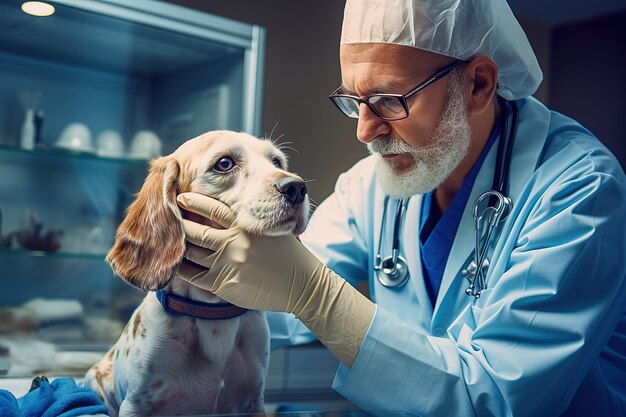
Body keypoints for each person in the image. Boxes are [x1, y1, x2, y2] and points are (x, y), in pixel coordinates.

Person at [175, 0, 626, 415]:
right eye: (355, 102)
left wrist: (315, 296)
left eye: (390, 100)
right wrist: (191, 298)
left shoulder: (582, 191)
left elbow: (495, 398)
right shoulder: (371, 185)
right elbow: (273, 299)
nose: (365, 132)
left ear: (478, 85)